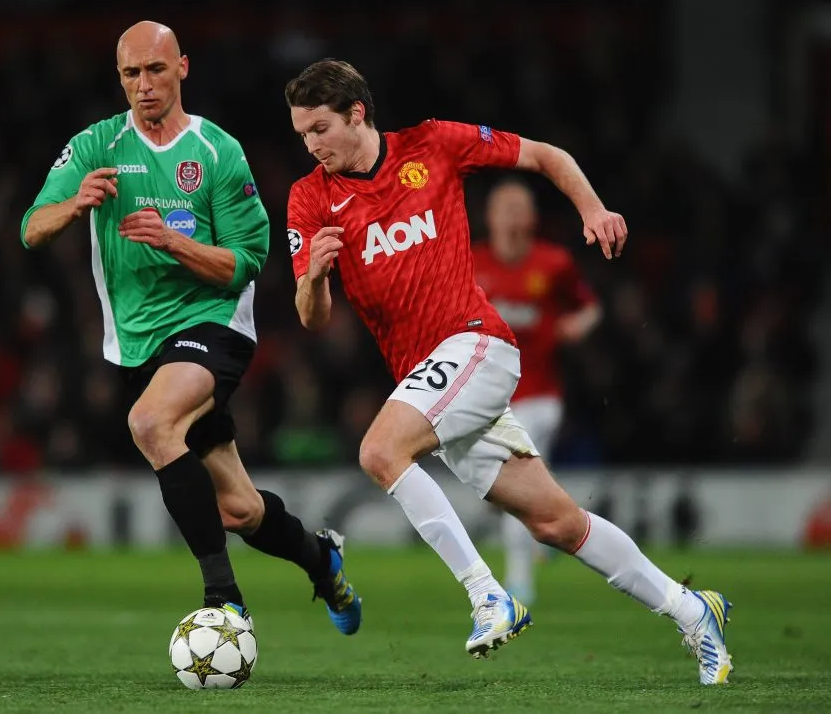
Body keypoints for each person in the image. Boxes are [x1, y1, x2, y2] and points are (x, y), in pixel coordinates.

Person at [284, 58, 731, 684]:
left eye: (320, 128)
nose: (311, 145)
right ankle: (693, 609)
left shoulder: (433, 145)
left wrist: (593, 210)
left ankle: (487, 594)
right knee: (557, 522)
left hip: (478, 345)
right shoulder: (310, 197)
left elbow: (547, 156)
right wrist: (314, 278)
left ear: (357, 113)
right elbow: (311, 317)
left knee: (380, 450)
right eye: (302, 133)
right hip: (433, 381)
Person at [20, 23, 361, 634]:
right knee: (238, 508)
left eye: (154, 70)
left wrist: (173, 241)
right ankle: (321, 560)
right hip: (140, 343)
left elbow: (244, 265)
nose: (143, 86)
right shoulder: (96, 146)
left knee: (150, 423)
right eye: (130, 74)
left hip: (213, 324)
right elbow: (31, 227)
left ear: (182, 67)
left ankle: (223, 602)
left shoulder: (216, 152)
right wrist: (72, 207)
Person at [472, 178, 602, 604]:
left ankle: (518, 583)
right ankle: (557, 524)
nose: (510, 215)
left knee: (513, 480)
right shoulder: (470, 263)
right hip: (485, 397)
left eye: (518, 207)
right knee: (509, 487)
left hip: (540, 394)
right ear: (489, 216)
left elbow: (590, 307)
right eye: (502, 207)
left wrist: (576, 326)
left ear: (531, 218)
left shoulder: (554, 264)